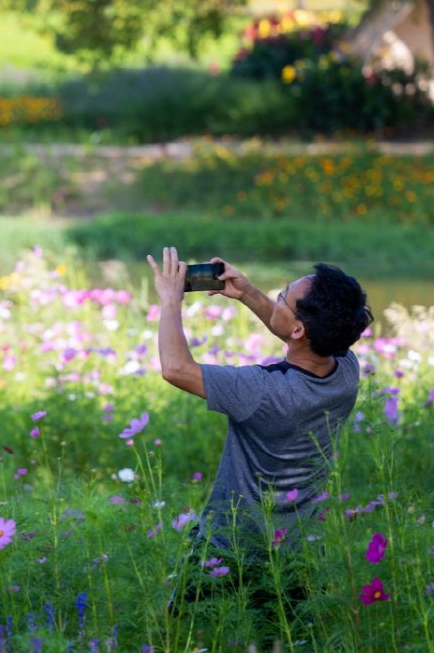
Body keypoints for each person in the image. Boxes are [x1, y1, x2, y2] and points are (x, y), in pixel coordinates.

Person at [147, 247, 371, 579]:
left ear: (299, 329)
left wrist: (170, 300)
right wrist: (247, 293)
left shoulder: (262, 391)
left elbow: (176, 368)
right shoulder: (347, 372)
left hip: (229, 554)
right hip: (298, 552)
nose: (276, 299)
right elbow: (295, 332)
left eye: (283, 297)